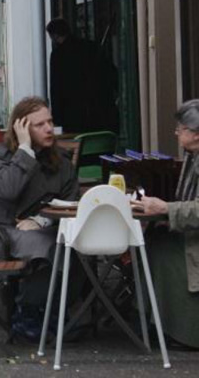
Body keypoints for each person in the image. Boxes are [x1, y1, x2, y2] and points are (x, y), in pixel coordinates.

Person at [0, 96, 78, 340]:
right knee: (47, 247)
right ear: (22, 128)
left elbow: (71, 199)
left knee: (75, 245)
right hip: (4, 233)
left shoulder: (60, 160)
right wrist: (25, 150)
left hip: (45, 228)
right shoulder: (0, 156)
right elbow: (8, 190)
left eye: (50, 121)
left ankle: (60, 311)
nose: (49, 128)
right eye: (39, 124)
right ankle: (28, 314)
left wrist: (41, 220)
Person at [132, 99, 199, 348]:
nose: (176, 133)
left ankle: (180, 329)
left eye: (180, 129)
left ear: (196, 135)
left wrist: (165, 209)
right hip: (190, 233)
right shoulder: (192, 157)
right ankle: (155, 320)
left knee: (159, 249)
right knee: (153, 240)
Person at [46, 18, 119, 133]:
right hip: (99, 107)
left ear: (54, 36)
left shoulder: (58, 55)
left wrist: (57, 115)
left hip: (72, 112)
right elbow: (109, 72)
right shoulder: (91, 46)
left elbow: (56, 86)